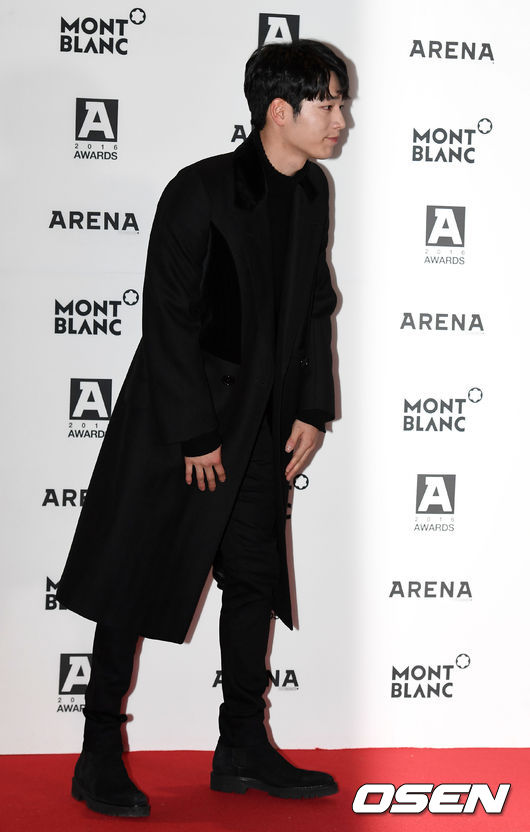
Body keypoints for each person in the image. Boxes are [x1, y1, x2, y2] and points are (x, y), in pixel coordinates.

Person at [57, 38, 349, 817]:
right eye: (328, 103)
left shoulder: (311, 190)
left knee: (253, 579)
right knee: (134, 576)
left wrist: (312, 407)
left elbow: (315, 303)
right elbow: (168, 318)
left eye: (339, 103)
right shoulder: (200, 190)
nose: (340, 119)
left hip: (260, 429)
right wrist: (193, 434)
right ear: (279, 111)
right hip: (180, 426)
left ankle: (242, 746)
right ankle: (97, 755)